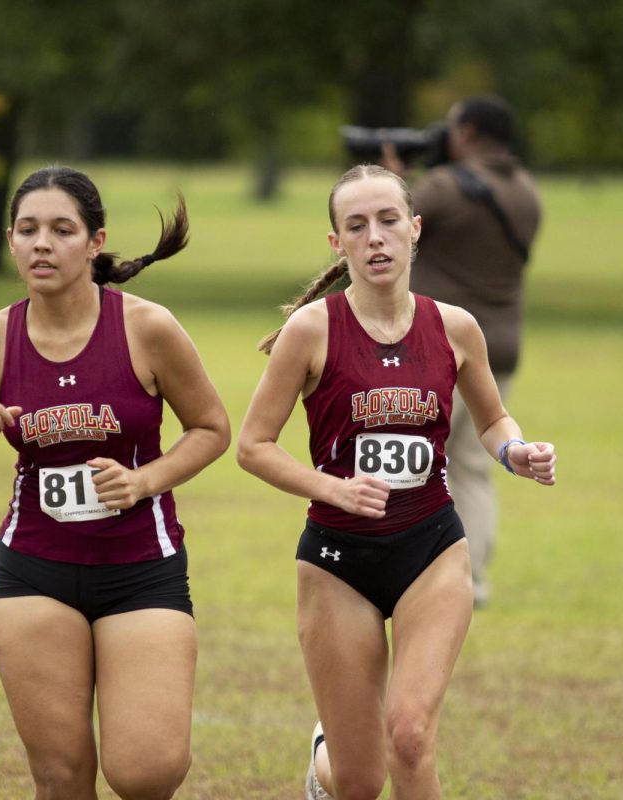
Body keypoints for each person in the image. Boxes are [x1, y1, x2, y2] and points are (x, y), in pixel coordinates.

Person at [236, 164, 555, 799]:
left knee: (409, 736)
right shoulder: (311, 330)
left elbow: (492, 418)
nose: (375, 238)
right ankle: (326, 755)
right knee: (359, 781)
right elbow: (252, 447)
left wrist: (515, 450)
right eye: (356, 226)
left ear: (414, 230)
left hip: (431, 546)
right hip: (337, 558)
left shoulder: (456, 327)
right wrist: (329, 488)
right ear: (338, 244)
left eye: (387, 222)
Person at [0, 166, 229, 800]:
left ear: (96, 242)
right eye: (28, 230)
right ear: (10, 241)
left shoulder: (147, 327)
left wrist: (143, 481)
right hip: (32, 573)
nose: (42, 243)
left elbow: (211, 429)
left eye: (61, 230)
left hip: (140, 571)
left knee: (145, 772)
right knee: (61, 778)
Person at [384, 95, 542, 607]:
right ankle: (470, 583)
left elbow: (386, 227)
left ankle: (407, 570)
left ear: (467, 133)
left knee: (410, 459)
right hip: (502, 346)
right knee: (472, 466)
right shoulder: (526, 192)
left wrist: (393, 176)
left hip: (440, 347)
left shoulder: (444, 189)